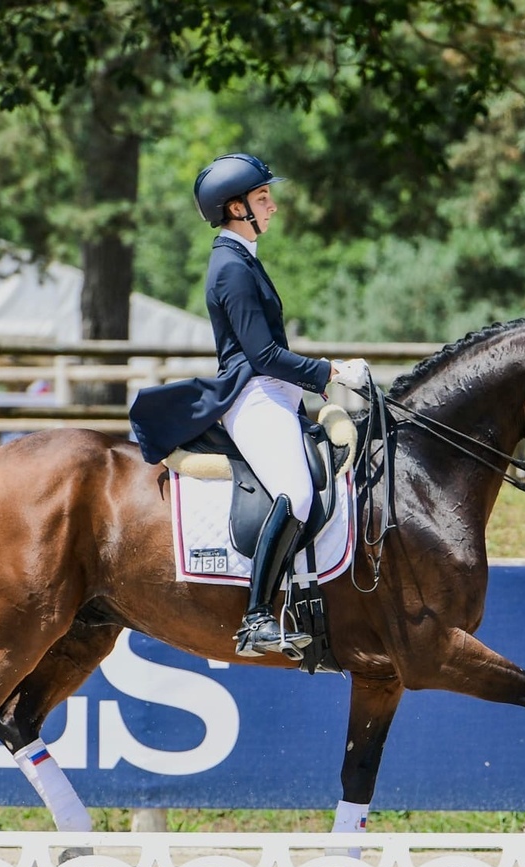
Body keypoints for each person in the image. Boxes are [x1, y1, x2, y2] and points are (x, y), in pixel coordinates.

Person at [128, 153, 370, 657]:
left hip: (275, 394)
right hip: (254, 396)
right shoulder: (230, 267)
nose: (273, 207)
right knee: (296, 493)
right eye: (263, 199)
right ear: (236, 207)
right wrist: (330, 371)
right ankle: (257, 618)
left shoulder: (243, 258)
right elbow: (262, 355)